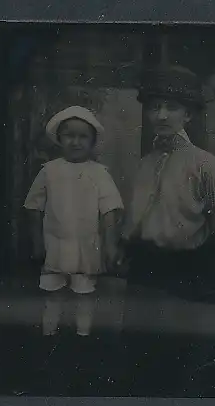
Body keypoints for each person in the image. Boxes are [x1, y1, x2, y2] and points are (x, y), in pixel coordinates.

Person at [119, 67, 215, 396]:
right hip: (145, 272)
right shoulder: (144, 164)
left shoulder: (205, 164)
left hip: (187, 273)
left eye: (171, 107)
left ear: (189, 114)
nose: (162, 114)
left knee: (181, 363)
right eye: (155, 106)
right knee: (141, 360)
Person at [24, 106, 124, 336]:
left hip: (86, 246)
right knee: (52, 293)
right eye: (70, 135)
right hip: (55, 244)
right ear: (59, 138)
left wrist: (109, 245)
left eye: (83, 137)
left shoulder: (99, 173)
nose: (76, 142)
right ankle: (48, 334)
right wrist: (37, 242)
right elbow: (33, 207)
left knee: (84, 295)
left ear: (92, 141)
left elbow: (110, 209)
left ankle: (83, 336)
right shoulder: (49, 171)